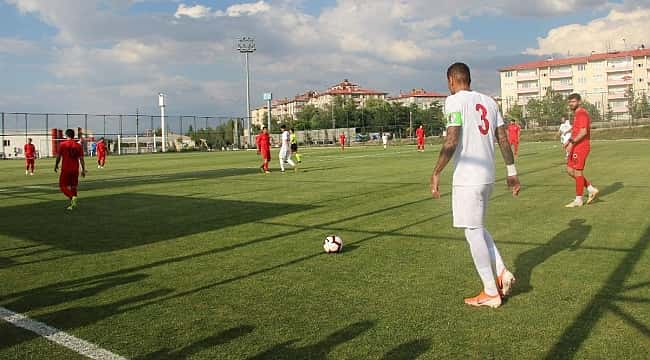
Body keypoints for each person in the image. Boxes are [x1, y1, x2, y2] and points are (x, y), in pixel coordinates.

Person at [431, 63, 520, 308]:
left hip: (468, 178)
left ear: (451, 80)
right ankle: (502, 272)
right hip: (487, 174)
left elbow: (452, 139)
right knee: (477, 228)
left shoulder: (454, 101)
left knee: (472, 233)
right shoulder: (490, 102)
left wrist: (436, 172)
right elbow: (502, 138)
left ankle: (491, 292)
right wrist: (511, 171)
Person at [564, 93, 599, 208]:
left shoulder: (582, 114)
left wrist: (572, 143)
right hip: (575, 145)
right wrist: (569, 141)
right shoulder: (576, 114)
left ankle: (578, 199)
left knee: (578, 172)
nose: (571, 104)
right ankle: (590, 188)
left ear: (579, 102)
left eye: (573, 101)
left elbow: (583, 132)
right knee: (570, 170)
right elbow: (576, 130)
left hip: (581, 147)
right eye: (569, 102)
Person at [54, 129, 86, 210]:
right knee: (73, 186)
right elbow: (81, 159)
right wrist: (83, 170)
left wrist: (56, 165)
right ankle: (73, 205)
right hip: (75, 169)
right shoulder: (78, 146)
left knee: (62, 186)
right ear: (73, 135)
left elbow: (58, 156)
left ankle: (72, 197)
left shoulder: (62, 144)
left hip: (66, 169)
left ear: (66, 135)